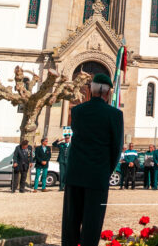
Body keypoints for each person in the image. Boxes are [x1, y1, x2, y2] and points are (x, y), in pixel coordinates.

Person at [62, 73, 123, 246]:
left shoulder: (77, 111)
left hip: (75, 173)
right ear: (108, 93)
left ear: (90, 89)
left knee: (71, 221)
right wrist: (106, 170)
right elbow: (116, 147)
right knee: (93, 222)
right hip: (98, 174)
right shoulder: (115, 114)